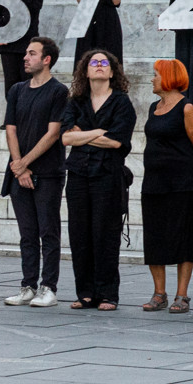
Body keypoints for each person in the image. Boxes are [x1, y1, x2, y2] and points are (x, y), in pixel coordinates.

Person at [60, 47, 136, 310]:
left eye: (105, 62)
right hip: (79, 174)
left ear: (113, 71)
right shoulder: (76, 101)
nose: (100, 65)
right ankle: (86, 293)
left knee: (105, 234)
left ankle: (107, 294)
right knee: (79, 234)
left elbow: (117, 142)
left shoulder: (121, 102)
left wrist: (85, 134)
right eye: (95, 62)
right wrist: (99, 132)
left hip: (108, 175)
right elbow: (66, 137)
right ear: (85, 70)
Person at [2, 36, 67, 309]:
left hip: (48, 172)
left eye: (31, 54)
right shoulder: (17, 89)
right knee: (27, 232)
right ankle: (27, 285)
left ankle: (48, 286)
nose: (25, 58)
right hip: (20, 173)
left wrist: (25, 163)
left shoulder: (58, 91)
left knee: (48, 231)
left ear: (46, 59)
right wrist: (19, 167)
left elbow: (53, 133)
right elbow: (10, 128)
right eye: (26, 54)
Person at [140, 59, 193, 313]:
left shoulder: (187, 108)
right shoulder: (152, 108)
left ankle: (182, 295)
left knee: (182, 237)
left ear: (168, 78)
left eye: (156, 74)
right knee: (154, 237)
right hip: (154, 182)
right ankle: (159, 293)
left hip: (181, 184)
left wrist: (185, 173)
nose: (152, 79)